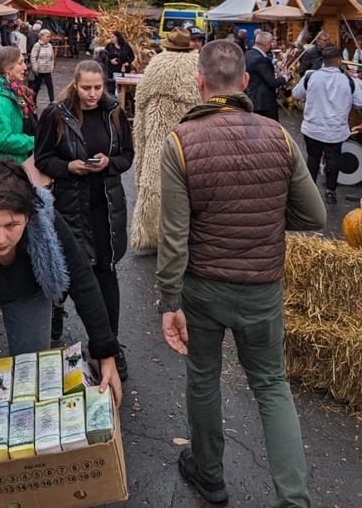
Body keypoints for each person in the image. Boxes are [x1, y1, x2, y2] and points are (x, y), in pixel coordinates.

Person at [157, 39, 326, 506]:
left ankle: (209, 474)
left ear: (200, 83)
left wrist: (169, 300)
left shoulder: (180, 141)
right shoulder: (278, 135)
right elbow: (314, 217)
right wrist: (270, 216)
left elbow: (173, 235)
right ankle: (294, 499)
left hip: (204, 288)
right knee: (271, 385)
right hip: (262, 287)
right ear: (246, 82)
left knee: (203, 376)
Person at [0, 159, 122, 408]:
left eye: (11, 225)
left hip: (27, 292)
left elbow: (83, 281)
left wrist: (106, 353)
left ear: (28, 217)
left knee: (31, 378)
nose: (0, 238)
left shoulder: (46, 220)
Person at [35, 61, 133, 379]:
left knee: (106, 273)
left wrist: (108, 162)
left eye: (97, 87)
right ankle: (54, 317)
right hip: (68, 208)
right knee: (66, 271)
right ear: (75, 84)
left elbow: (127, 156)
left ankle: (109, 345)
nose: (92, 94)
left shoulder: (115, 113)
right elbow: (43, 158)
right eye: (86, 87)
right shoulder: (56, 114)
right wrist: (69, 168)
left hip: (105, 208)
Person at [130, 28, 199, 251]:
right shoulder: (197, 65)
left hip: (159, 129)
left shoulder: (158, 65)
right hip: (191, 131)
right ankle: (187, 233)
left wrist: (140, 132)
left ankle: (153, 232)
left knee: (155, 182)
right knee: (189, 184)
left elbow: (140, 99)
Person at [292, 44, 362, 204]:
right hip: (335, 131)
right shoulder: (349, 81)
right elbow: (360, 102)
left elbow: (296, 94)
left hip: (312, 128)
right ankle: (330, 192)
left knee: (313, 158)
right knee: (333, 160)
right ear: (339, 60)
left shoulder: (310, 76)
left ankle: (309, 192)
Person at [0, 47, 36, 171]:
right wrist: (35, 141)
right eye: (20, 63)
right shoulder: (0, 98)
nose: (25, 67)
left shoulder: (12, 92)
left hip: (7, 165)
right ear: (7, 69)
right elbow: (3, 140)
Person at [245, 30, 287, 121]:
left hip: (253, 96)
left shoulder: (249, 53)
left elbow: (264, 57)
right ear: (267, 44)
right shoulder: (259, 59)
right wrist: (285, 77)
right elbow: (272, 82)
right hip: (263, 102)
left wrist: (274, 61)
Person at [30, 29, 56, 103]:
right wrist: (35, 68)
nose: (49, 38)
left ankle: (52, 101)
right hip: (39, 71)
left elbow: (52, 57)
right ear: (42, 37)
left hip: (47, 70)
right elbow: (33, 57)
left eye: (49, 36)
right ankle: (33, 101)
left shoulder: (50, 45)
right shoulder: (37, 45)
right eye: (47, 36)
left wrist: (52, 66)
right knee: (36, 87)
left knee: (50, 86)